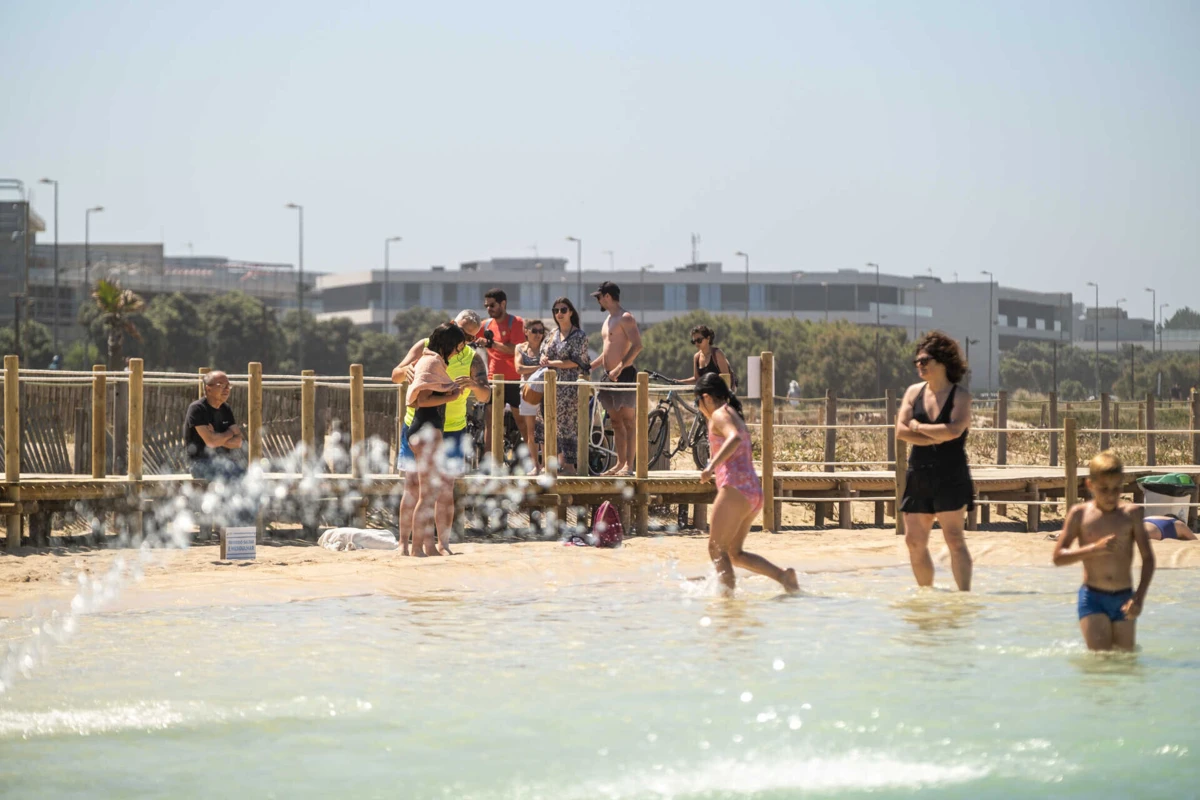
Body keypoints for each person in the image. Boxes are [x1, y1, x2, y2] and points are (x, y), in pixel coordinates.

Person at [392, 311, 490, 555]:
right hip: (421, 426)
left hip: (452, 428)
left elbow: (486, 395)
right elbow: (396, 375)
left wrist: (474, 386)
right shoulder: (427, 349)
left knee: (445, 489)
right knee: (414, 487)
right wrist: (406, 372)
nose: (465, 341)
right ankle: (405, 544)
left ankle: (440, 544)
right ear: (451, 327)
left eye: (470, 337)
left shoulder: (471, 357)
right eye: (462, 334)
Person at [696, 373, 799, 596]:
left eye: (698, 402)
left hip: (735, 489)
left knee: (716, 548)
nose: (699, 408)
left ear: (706, 397)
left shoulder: (719, 414)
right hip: (753, 491)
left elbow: (734, 438)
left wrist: (710, 466)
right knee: (734, 553)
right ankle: (784, 577)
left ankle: (727, 605)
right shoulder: (732, 412)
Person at [894, 331, 974, 591]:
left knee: (954, 538)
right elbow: (900, 431)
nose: (920, 365)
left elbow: (954, 430)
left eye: (925, 360)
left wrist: (917, 427)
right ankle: (926, 597)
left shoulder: (960, 395)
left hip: (950, 473)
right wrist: (931, 435)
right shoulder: (913, 392)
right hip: (918, 473)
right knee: (914, 541)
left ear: (943, 361)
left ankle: (963, 598)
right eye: (917, 361)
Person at [1053, 451, 1155, 651]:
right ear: (1090, 485)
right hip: (1093, 598)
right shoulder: (1079, 514)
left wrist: (1139, 598)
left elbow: (1148, 559)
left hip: (1125, 598)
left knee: (1125, 662)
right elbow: (1058, 557)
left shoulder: (1131, 514)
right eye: (1104, 489)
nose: (1110, 495)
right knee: (1101, 662)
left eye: (1116, 489)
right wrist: (1093, 549)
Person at [403, 322, 468, 557]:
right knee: (427, 495)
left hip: (427, 430)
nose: (458, 352)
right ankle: (416, 548)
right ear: (448, 344)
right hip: (425, 429)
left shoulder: (434, 360)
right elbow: (421, 400)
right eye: (457, 347)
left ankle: (428, 546)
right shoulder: (431, 361)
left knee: (431, 492)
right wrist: (452, 396)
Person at [589, 282, 641, 476]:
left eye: (599, 297)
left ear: (608, 296)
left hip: (624, 375)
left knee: (628, 421)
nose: (598, 301)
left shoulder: (625, 318)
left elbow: (637, 346)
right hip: (607, 377)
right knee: (616, 422)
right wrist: (591, 366)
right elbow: (607, 351)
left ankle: (629, 465)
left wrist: (620, 367)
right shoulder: (608, 320)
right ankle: (620, 463)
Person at [537, 297, 590, 475]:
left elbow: (577, 362)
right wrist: (544, 359)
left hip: (569, 387)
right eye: (556, 310)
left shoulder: (579, 336)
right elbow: (542, 353)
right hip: (550, 385)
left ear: (571, 312)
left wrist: (552, 362)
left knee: (568, 425)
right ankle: (553, 464)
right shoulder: (552, 334)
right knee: (549, 423)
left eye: (563, 310)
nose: (559, 313)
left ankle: (569, 466)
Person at [476, 288, 527, 459]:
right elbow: (470, 334)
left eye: (492, 305)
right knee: (490, 422)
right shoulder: (485, 325)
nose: (489, 309)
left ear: (503, 304)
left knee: (522, 421)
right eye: (486, 306)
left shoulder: (517, 322)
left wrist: (492, 344)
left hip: (513, 380)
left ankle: (533, 460)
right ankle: (488, 462)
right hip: (493, 379)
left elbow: (516, 349)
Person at [184, 370, 245, 482]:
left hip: (224, 462)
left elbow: (239, 442)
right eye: (221, 385)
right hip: (200, 463)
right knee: (229, 478)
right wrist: (230, 433)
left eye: (228, 385)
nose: (227, 389)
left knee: (247, 476)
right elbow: (211, 442)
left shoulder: (226, 409)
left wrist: (216, 437)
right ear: (208, 389)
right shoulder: (197, 409)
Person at [515, 321, 546, 473]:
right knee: (530, 432)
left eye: (541, 331)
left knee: (546, 430)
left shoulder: (546, 347)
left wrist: (531, 371)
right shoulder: (520, 348)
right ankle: (536, 466)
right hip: (526, 392)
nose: (538, 334)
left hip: (545, 392)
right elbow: (519, 368)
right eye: (534, 330)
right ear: (526, 331)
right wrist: (539, 368)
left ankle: (546, 465)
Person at [675, 325, 734, 389]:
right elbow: (697, 379)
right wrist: (679, 382)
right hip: (706, 395)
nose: (696, 343)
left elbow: (726, 379)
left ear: (708, 338)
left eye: (699, 340)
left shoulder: (717, 354)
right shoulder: (696, 357)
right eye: (694, 341)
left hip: (719, 395)